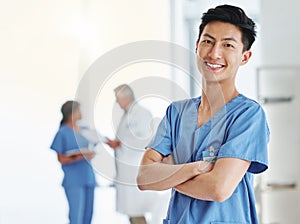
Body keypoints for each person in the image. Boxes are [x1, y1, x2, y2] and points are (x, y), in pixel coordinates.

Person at [137, 4, 269, 224]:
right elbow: (143, 178)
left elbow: (218, 189)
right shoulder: (177, 113)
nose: (214, 53)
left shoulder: (248, 115)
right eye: (208, 41)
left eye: (228, 45)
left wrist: (167, 174)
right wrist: (197, 168)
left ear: (245, 57)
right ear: (197, 46)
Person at [106, 84, 169, 224]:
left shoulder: (141, 113)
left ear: (126, 97)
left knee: (136, 210)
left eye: (117, 98)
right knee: (132, 211)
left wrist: (120, 143)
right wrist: (119, 143)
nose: (116, 102)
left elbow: (146, 140)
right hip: (127, 172)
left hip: (134, 169)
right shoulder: (128, 114)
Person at [50, 100, 96, 224]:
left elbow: (98, 140)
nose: (81, 113)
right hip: (74, 180)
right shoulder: (62, 133)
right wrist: (78, 156)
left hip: (88, 177)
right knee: (76, 217)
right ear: (72, 114)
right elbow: (61, 158)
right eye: (78, 111)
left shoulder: (85, 130)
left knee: (88, 216)